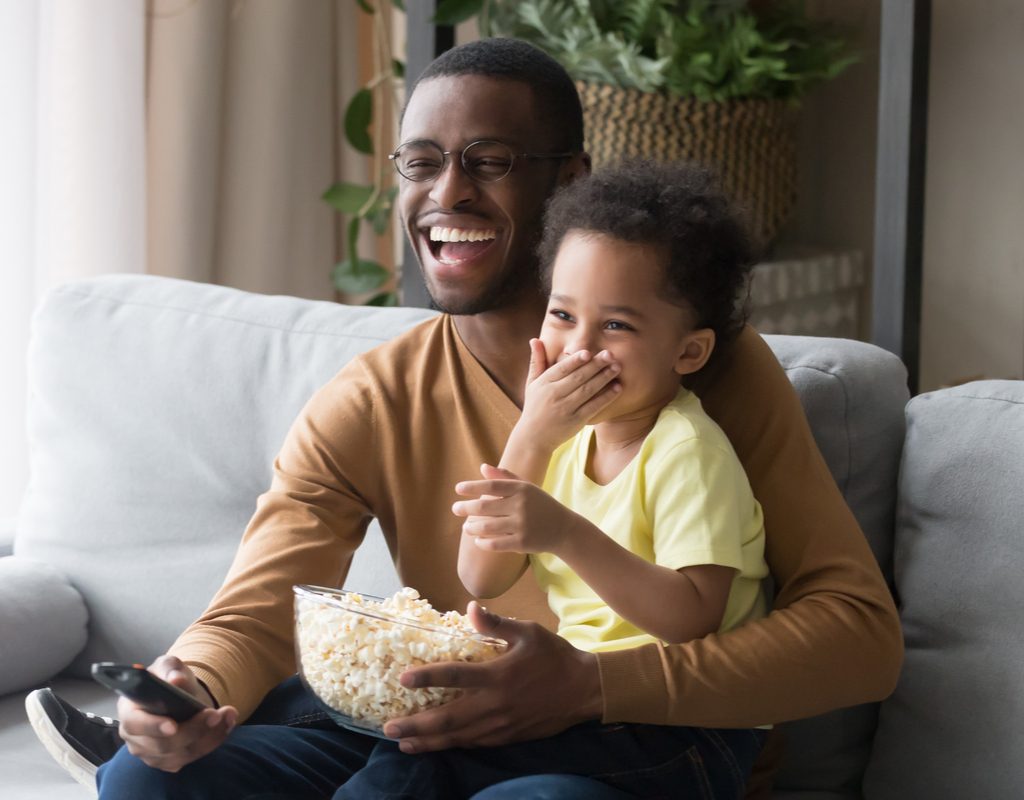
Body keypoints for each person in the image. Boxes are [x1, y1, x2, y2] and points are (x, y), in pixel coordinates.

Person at [28, 37, 902, 800]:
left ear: (569, 184)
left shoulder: (707, 376)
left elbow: (859, 638)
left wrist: (593, 687)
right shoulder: (372, 398)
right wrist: (188, 688)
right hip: (436, 740)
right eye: (420, 163)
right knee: (146, 777)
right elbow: (258, 607)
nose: (449, 193)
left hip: (629, 756)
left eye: (487, 160)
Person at [332, 159, 773, 799]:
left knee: (438, 764)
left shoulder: (687, 451)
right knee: (412, 754)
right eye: (563, 316)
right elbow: (481, 577)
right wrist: (532, 436)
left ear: (688, 353)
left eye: (616, 325)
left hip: (686, 730)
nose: (579, 347)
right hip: (586, 708)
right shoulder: (562, 444)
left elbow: (690, 619)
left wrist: (566, 533)